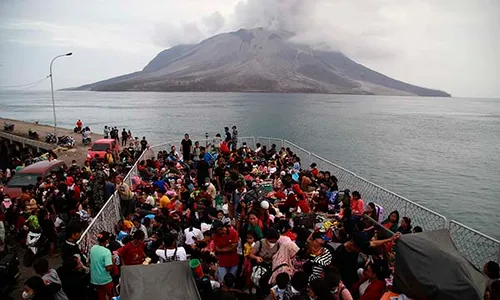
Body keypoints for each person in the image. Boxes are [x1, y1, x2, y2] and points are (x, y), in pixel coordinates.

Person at [60, 223, 88, 300]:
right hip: (75, 281)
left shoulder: (68, 245)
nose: (80, 235)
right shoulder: (69, 249)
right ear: (73, 235)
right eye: (79, 233)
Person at [90, 231, 114, 300]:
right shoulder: (106, 251)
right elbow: (108, 268)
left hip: (94, 280)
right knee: (111, 296)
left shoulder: (93, 248)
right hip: (105, 280)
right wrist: (113, 262)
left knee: (101, 297)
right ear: (107, 240)